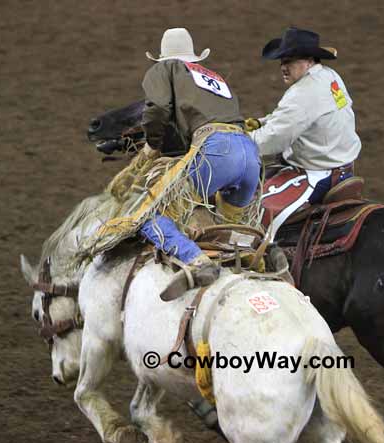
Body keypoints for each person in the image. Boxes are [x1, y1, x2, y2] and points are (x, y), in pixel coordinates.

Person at [139, 28, 261, 291]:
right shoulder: (213, 77)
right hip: (249, 155)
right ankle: (261, 254)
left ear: (164, 56)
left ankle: (194, 260)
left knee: (149, 215)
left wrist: (152, 144)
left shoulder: (165, 69)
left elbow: (158, 108)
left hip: (216, 152)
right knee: (230, 223)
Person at [247, 27, 362, 241]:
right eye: (281, 61)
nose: (283, 67)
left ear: (308, 60)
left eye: (289, 61)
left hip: (318, 174)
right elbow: (297, 117)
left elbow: (273, 140)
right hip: (343, 164)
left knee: (253, 213)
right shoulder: (329, 76)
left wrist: (238, 140)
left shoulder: (303, 93)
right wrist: (262, 122)